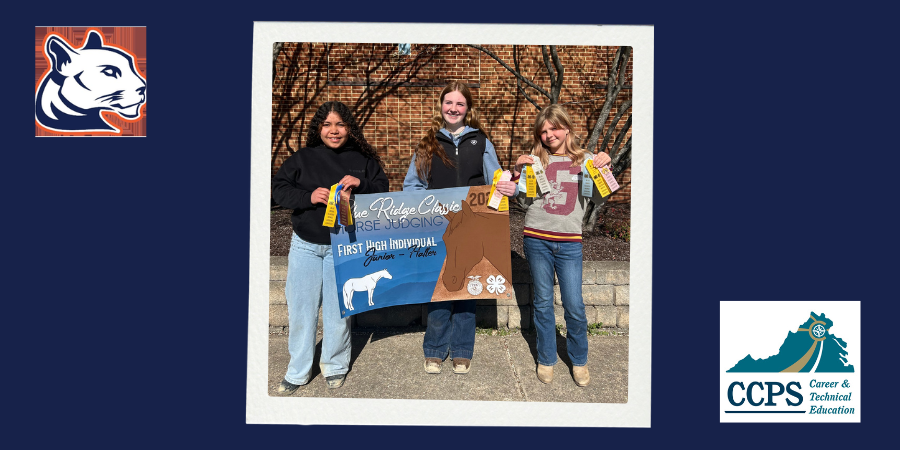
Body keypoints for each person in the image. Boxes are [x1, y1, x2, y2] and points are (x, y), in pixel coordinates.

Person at [272, 101, 389, 392]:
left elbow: (383, 190)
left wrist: (361, 184)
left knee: (339, 312)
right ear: (318, 128)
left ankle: (335, 366)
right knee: (302, 311)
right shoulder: (303, 157)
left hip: (345, 246)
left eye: (340, 124)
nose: (334, 131)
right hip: (306, 247)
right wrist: (308, 197)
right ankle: (298, 370)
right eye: (327, 125)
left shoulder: (362, 160)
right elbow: (278, 189)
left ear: (349, 128)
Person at [403, 81, 517, 375]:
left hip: (472, 224)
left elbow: (495, 181)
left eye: (460, 104)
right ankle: (435, 350)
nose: (453, 109)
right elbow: (412, 185)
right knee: (440, 290)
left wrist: (506, 188)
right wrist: (424, 205)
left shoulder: (481, 141)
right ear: (440, 106)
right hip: (439, 225)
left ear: (468, 109)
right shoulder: (428, 143)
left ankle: (463, 350)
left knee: (469, 290)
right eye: (448, 103)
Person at [513, 104, 611, 387]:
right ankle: (546, 358)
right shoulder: (534, 161)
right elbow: (523, 202)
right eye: (543, 131)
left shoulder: (587, 160)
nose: (548, 134)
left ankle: (579, 360)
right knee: (543, 303)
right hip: (536, 239)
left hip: (569, 244)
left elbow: (600, 200)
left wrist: (604, 168)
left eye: (553, 128)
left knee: (574, 305)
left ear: (566, 128)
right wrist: (519, 175)